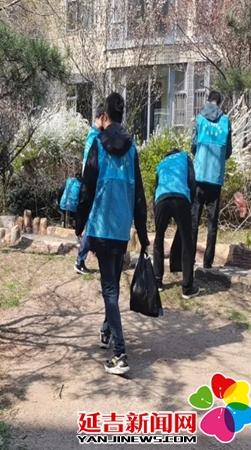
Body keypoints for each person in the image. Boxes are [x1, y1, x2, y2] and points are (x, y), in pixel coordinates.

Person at [76, 93, 149, 375]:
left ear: (104, 116)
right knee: (113, 286)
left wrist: (79, 223)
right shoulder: (132, 150)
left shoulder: (97, 144)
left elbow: (87, 188)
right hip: (121, 230)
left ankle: (120, 354)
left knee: (109, 290)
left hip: (101, 226)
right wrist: (142, 234)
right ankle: (107, 332)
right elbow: (139, 196)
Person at [191, 90, 232, 269]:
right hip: (215, 177)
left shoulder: (200, 119)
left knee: (194, 220)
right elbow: (228, 151)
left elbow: (193, 145)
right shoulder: (225, 121)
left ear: (208, 101)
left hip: (199, 175)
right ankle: (208, 262)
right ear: (219, 103)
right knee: (212, 223)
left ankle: (189, 258)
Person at [153, 149, 200, 299]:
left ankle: (157, 281)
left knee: (158, 239)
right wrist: (189, 203)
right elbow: (192, 182)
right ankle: (187, 288)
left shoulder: (162, 163)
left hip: (161, 198)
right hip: (181, 198)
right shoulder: (185, 158)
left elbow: (157, 185)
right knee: (187, 241)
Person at [74, 104, 107, 275]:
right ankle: (80, 260)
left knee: (93, 223)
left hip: (89, 185)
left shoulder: (91, 136)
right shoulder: (96, 138)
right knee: (93, 223)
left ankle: (86, 257)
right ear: (102, 117)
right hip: (93, 186)